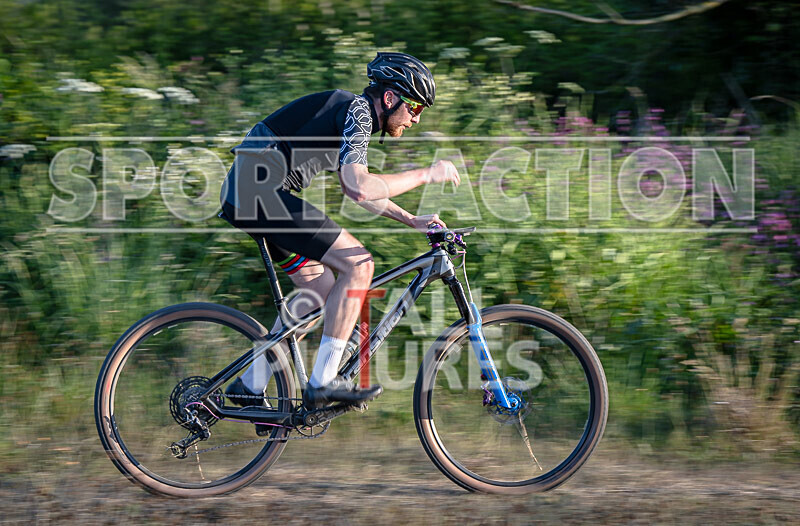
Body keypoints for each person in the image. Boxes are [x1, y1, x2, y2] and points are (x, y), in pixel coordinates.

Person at [219, 52, 460, 425]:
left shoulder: (354, 117)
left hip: (254, 193)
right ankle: (323, 382)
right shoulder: (358, 111)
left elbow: (355, 189)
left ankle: (249, 385)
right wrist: (427, 174)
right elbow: (360, 187)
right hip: (259, 192)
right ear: (389, 98)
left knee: (320, 292)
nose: (416, 119)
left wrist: (409, 219)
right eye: (414, 107)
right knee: (360, 264)